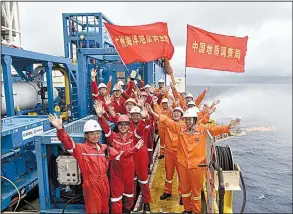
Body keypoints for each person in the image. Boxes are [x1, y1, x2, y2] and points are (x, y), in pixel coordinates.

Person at [47, 113, 144, 214]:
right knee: (94, 210)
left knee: (105, 209)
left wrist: (134, 149)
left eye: (97, 133)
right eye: (92, 134)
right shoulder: (81, 149)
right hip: (91, 185)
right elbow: (68, 143)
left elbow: (121, 155)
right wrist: (60, 129)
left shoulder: (105, 148)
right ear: (86, 135)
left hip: (104, 183)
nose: (96, 136)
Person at [156, 107, 240, 213]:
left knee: (196, 193)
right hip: (183, 165)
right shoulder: (181, 129)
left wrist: (228, 127)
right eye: (186, 119)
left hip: (196, 167)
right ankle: (187, 209)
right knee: (185, 190)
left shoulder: (202, 130)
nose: (188, 122)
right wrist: (154, 113)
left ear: (194, 120)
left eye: (190, 119)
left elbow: (214, 129)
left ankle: (196, 211)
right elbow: (168, 123)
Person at [94, 101, 148, 213]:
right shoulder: (113, 137)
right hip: (115, 171)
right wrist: (100, 117)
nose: (123, 127)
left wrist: (142, 119)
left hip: (129, 169)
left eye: (126, 124)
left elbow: (139, 131)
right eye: (121, 124)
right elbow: (106, 129)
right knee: (115, 197)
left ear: (129, 126)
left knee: (129, 193)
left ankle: (127, 210)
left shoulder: (133, 137)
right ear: (117, 126)